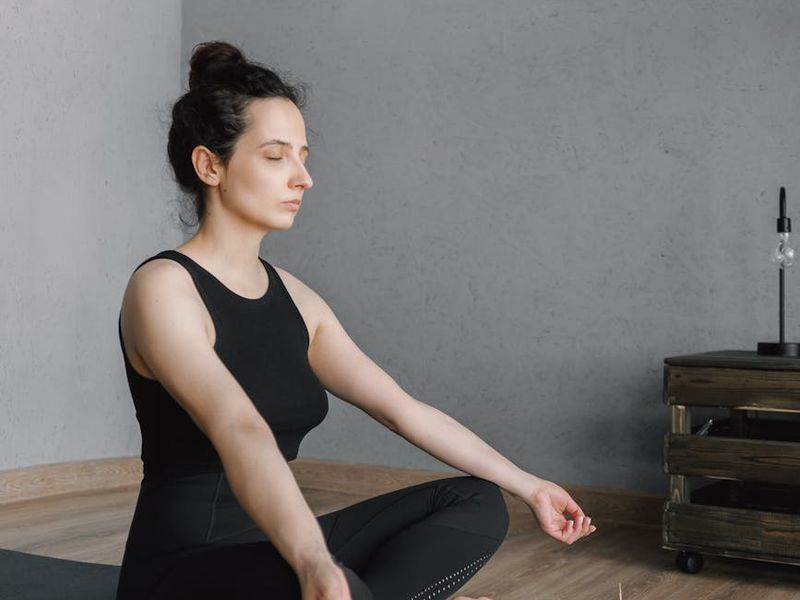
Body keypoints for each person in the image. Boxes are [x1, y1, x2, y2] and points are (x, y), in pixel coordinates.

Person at [114, 40, 596, 600]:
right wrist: (315, 562)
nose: (303, 178)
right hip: (184, 571)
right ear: (210, 165)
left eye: (304, 156)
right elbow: (238, 427)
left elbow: (403, 410)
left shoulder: (298, 300)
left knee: (476, 500)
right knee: (338, 583)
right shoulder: (163, 287)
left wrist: (530, 486)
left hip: (274, 546)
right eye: (276, 157)